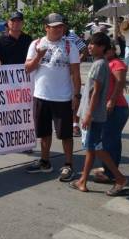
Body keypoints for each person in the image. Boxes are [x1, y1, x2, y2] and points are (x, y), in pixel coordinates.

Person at [24, 13, 81, 181]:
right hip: (40, 95)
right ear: (46, 27)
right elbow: (28, 68)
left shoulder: (70, 46)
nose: (58, 29)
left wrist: (76, 95)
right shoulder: (36, 44)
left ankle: (69, 165)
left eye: (61, 26)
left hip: (62, 98)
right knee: (44, 132)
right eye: (54, 26)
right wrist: (39, 56)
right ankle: (45, 161)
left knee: (65, 134)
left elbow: (76, 74)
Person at [70, 32, 129, 195]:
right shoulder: (100, 63)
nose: (89, 46)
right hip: (95, 113)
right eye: (89, 43)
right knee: (92, 148)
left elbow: (96, 92)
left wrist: (88, 114)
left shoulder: (99, 65)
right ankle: (83, 180)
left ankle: (119, 177)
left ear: (102, 47)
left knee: (95, 147)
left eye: (93, 44)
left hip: (95, 114)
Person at [93, 42, 129, 184]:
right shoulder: (104, 63)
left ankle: (110, 173)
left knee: (110, 141)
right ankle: (109, 169)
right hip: (110, 108)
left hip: (116, 108)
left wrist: (112, 101)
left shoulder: (115, 63)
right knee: (110, 140)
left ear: (113, 51)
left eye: (109, 50)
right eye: (105, 50)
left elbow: (120, 82)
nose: (106, 52)